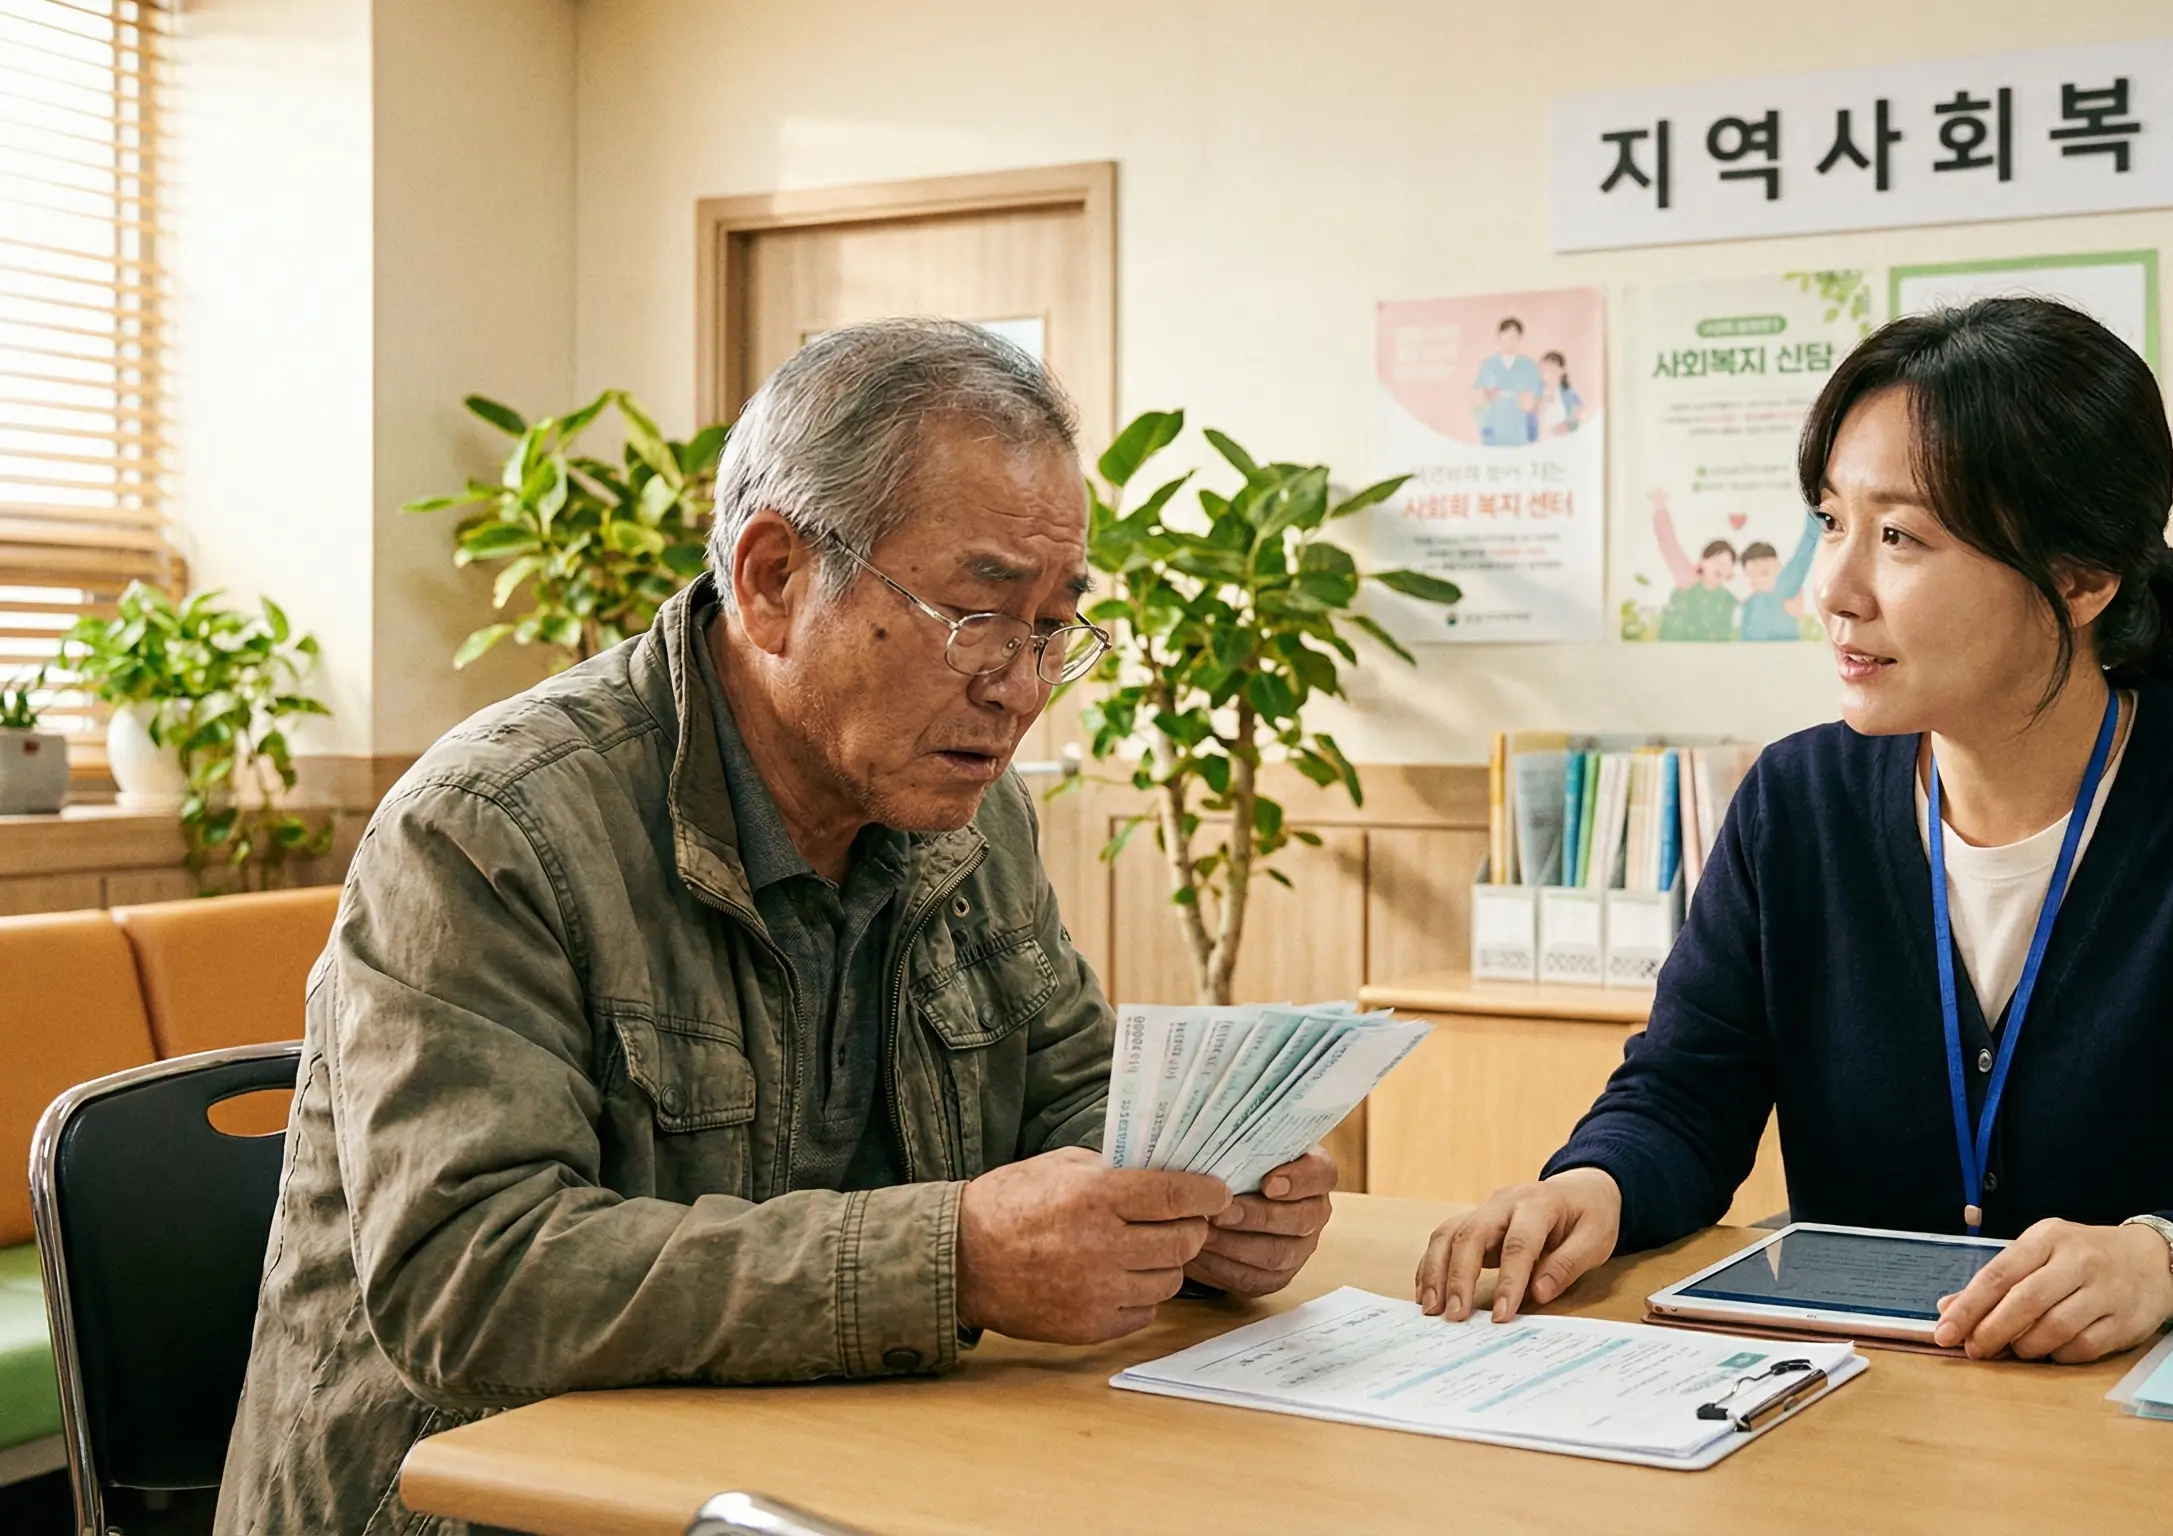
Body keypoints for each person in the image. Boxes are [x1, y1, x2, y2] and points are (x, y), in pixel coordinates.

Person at [219, 320, 1339, 1534]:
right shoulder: (491, 828)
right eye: (978, 614)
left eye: (1054, 626)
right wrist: (952, 1261)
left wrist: (1200, 1192)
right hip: (483, 1507)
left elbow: (1069, 1093)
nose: (1019, 688)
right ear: (771, 581)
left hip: (831, 1471)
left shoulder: (967, 812)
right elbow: (470, 1279)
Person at [1417, 297, 2173, 1364]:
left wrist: (2171, 1261)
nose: (1833, 589)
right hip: (1871, 1413)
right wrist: (1589, 1186)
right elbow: (1682, 1100)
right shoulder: (1798, 803)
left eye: (1900, 537)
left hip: (2159, 1436)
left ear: (2079, 579)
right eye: (1830, 522)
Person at [1647, 487, 1745, 641]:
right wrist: (1660, 508)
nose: (1720, 566)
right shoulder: (1688, 578)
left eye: (1727, 564)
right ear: (1702, 562)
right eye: (1716, 560)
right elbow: (1668, 543)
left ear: (1731, 572)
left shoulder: (1729, 596)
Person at [1736, 515, 1822, 642]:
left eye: (1764, 573)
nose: (1756, 581)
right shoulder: (1750, 602)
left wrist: (1814, 517)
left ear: (1778, 567)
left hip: (1786, 652)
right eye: (1751, 577)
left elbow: (1803, 556)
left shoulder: (1785, 586)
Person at [1473, 317, 1541, 446]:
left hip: (1519, 426)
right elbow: (1479, 397)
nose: (1510, 340)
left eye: (1514, 336)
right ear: (1498, 337)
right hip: (1493, 425)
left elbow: (1535, 398)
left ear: (1520, 339)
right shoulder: (1488, 365)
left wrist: (1527, 401)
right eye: (1506, 335)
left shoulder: (1528, 365)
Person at [1535, 349, 1583, 438]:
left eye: (1552, 368)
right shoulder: (1536, 392)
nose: (1547, 372)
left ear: (1562, 371)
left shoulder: (1569, 394)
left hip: (1562, 440)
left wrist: (1567, 427)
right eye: (1544, 368)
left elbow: (1579, 419)